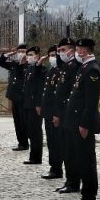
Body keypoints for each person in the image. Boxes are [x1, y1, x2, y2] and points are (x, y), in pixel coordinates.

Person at [65, 38, 100, 200]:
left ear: (84, 51)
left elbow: (91, 101)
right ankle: (86, 194)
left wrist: (84, 124)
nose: (77, 52)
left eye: (79, 49)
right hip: (76, 120)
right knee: (81, 158)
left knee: (86, 160)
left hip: (82, 122)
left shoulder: (92, 70)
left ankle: (89, 197)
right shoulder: (84, 68)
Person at [53, 37, 82, 195]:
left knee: (71, 150)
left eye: (63, 50)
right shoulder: (66, 65)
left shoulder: (74, 65)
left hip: (69, 112)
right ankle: (70, 180)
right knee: (67, 149)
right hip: (64, 112)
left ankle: (73, 182)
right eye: (59, 51)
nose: (60, 53)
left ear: (71, 50)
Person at [0, 44, 29, 151]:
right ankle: (21, 143)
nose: (21, 54)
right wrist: (9, 54)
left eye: (24, 51)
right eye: (19, 52)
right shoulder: (14, 64)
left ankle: (26, 143)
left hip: (24, 97)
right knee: (17, 121)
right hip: (14, 97)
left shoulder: (29, 65)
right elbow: (0, 62)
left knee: (24, 122)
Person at [39, 45, 64, 179]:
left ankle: (57, 168)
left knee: (56, 142)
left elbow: (58, 95)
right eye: (51, 55)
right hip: (48, 112)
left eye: (56, 54)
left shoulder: (61, 71)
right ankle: (53, 166)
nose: (53, 57)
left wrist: (56, 113)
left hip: (54, 113)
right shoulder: (52, 70)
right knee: (50, 141)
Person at [22, 46, 45, 165]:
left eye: (31, 55)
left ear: (37, 56)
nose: (28, 57)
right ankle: (33, 156)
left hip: (35, 105)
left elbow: (40, 88)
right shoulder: (29, 68)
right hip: (27, 104)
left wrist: (38, 104)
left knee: (36, 132)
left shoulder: (40, 69)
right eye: (28, 55)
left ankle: (36, 157)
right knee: (30, 131)